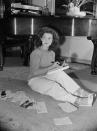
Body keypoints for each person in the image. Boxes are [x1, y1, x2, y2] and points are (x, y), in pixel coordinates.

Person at [28, 27, 96, 107]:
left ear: (53, 40)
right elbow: (34, 72)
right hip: (35, 79)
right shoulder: (36, 53)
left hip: (46, 74)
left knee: (60, 74)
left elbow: (50, 67)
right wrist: (51, 67)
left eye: (49, 38)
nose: (46, 40)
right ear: (40, 39)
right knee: (53, 86)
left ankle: (79, 92)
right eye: (44, 38)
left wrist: (59, 66)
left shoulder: (52, 53)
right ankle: (76, 100)